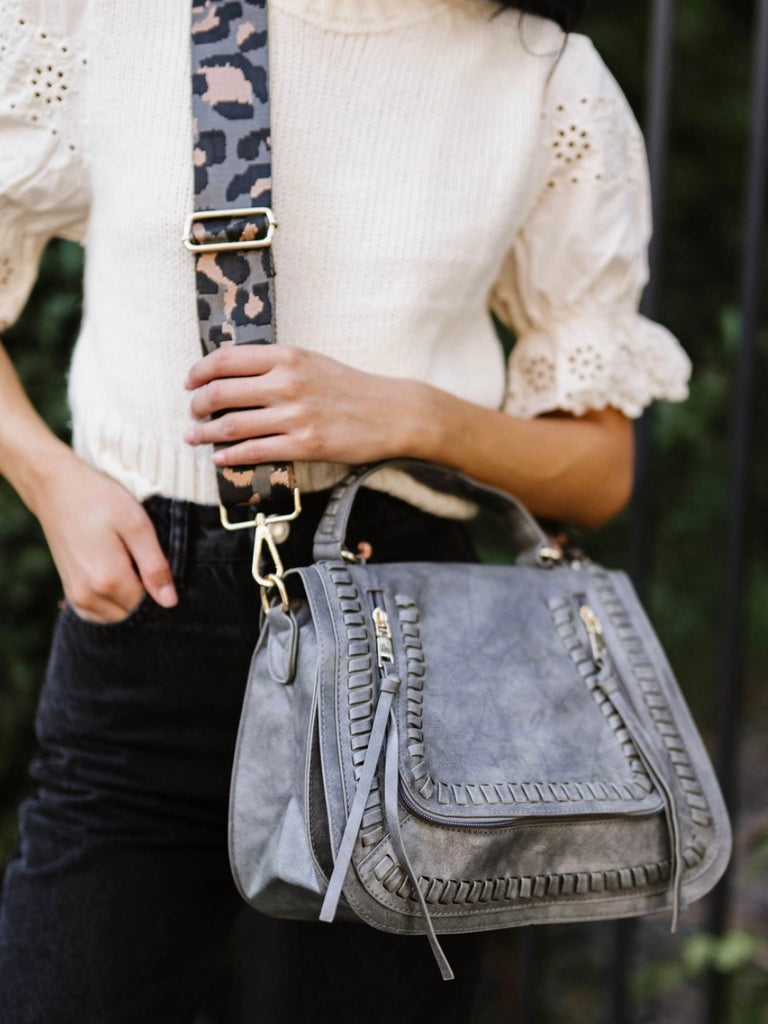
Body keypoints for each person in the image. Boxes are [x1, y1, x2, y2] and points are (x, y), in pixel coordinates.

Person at [0, 0, 692, 1021]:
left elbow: (599, 471)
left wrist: (413, 415)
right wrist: (51, 480)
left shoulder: (543, 75)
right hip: (146, 617)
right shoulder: (103, 20)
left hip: (408, 665)